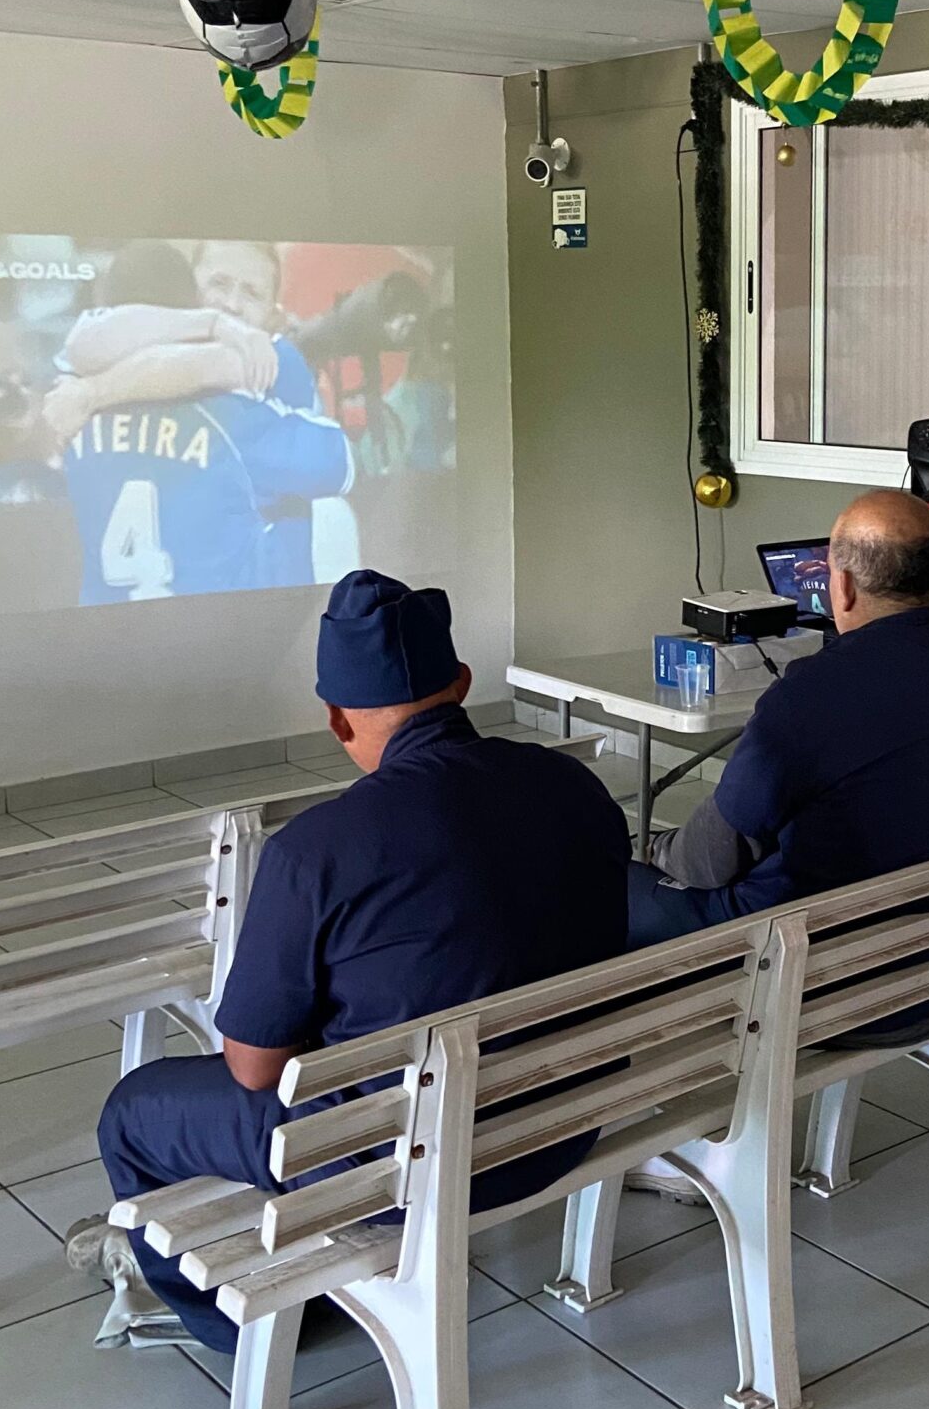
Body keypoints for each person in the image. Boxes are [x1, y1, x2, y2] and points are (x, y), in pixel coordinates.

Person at [77, 569, 632, 1350]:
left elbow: (252, 1069)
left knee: (135, 1111)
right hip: (563, 1123)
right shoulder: (573, 786)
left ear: (336, 720)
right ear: (462, 683)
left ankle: (227, 1324)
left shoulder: (315, 851)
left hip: (406, 1166)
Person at [628, 490, 929, 943]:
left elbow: (708, 861)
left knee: (610, 884)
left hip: (810, 958)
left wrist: (654, 850)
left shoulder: (809, 694)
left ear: (842, 587)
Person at [46, 241, 350, 601]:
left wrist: (91, 394)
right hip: (218, 620)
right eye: (219, 283)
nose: (231, 305)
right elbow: (336, 462)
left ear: (274, 316)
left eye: (251, 293)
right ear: (191, 289)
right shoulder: (227, 408)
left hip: (118, 619)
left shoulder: (275, 366)